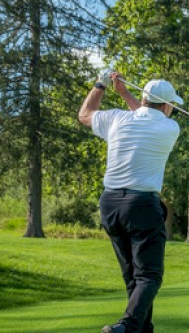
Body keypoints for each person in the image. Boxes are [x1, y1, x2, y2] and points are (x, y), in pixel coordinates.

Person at [78, 70, 182, 333]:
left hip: (110, 204)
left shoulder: (116, 119)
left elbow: (85, 114)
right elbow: (147, 115)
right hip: (142, 205)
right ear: (167, 105)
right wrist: (126, 94)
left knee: (133, 278)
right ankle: (126, 326)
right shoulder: (170, 127)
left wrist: (101, 84)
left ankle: (140, 329)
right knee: (149, 276)